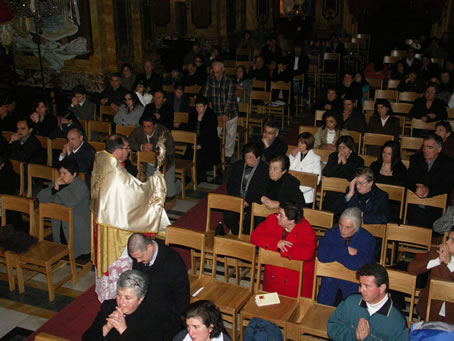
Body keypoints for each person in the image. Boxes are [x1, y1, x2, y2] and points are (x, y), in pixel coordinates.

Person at [91, 134, 169, 301]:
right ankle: (120, 294)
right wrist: (155, 182)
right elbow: (136, 195)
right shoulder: (115, 172)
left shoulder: (102, 159)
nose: (129, 151)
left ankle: (107, 290)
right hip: (115, 225)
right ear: (117, 150)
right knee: (119, 260)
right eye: (126, 148)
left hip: (103, 221)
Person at [128, 233, 189, 340]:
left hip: (168, 316)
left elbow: (181, 299)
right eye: (135, 258)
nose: (138, 262)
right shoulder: (140, 257)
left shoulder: (173, 262)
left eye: (141, 257)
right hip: (146, 308)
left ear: (150, 247)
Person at [327, 263, 409, 341]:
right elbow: (332, 327)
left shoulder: (397, 321)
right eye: (361, 285)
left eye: (367, 286)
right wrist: (354, 336)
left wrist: (367, 339)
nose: (361, 290)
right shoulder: (351, 302)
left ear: (382, 288)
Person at [251, 201, 316, 298]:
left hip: (294, 285)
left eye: (281, 215)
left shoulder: (306, 231)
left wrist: (282, 250)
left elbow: (308, 253)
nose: (277, 216)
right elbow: (254, 236)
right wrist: (276, 243)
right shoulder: (273, 220)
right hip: (272, 280)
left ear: (291, 221)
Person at [318, 207, 376, 306]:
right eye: (341, 225)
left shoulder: (367, 239)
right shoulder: (334, 232)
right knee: (329, 282)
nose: (343, 230)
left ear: (357, 227)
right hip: (331, 280)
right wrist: (346, 250)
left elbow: (356, 264)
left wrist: (333, 256)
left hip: (354, 283)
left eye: (348, 227)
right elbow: (322, 255)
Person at [83, 270, 165, 340]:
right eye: (118, 295)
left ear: (140, 299)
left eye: (127, 298)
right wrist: (106, 328)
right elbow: (86, 338)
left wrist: (124, 331)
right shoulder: (109, 306)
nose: (121, 302)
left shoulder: (153, 317)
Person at [37, 158, 90, 258]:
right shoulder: (58, 183)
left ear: (74, 174)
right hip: (60, 226)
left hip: (77, 231)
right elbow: (41, 198)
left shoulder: (81, 187)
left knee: (77, 253)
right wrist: (53, 190)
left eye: (64, 173)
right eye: (60, 173)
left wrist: (60, 189)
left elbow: (70, 202)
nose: (61, 176)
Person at [405, 134, 454, 228]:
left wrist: (428, 190)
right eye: (424, 146)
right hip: (415, 204)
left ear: (439, 149)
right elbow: (408, 179)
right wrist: (417, 188)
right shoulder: (416, 159)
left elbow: (446, 185)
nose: (425, 150)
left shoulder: (448, 163)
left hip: (435, 208)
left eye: (429, 147)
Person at [128, 112, 180, 199]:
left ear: (155, 126)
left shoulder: (164, 132)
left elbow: (171, 150)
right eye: (144, 126)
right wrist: (141, 147)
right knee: (151, 193)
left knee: (169, 195)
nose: (146, 129)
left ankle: (177, 183)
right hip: (148, 165)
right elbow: (129, 141)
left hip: (165, 165)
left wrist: (154, 148)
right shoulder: (139, 131)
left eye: (149, 127)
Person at [407, 226, 454, 323]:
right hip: (430, 310)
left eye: (453, 240)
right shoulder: (437, 253)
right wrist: (438, 260)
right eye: (448, 238)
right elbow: (412, 269)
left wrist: (449, 263)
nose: (447, 242)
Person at [224, 142, 269, 235]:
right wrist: (239, 200)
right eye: (246, 157)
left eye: (250, 157)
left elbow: (262, 190)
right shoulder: (238, 166)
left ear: (258, 157)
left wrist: (247, 201)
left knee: (249, 221)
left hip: (253, 201)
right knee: (228, 217)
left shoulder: (264, 170)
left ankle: (246, 235)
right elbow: (231, 185)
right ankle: (236, 233)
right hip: (238, 199)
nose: (247, 160)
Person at [202, 61, 238, 163]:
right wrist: (203, 108)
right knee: (214, 134)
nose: (216, 74)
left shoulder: (230, 80)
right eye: (214, 72)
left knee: (230, 135)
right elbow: (205, 96)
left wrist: (226, 113)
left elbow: (231, 99)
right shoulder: (210, 80)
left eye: (218, 72)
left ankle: (228, 155)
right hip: (216, 112)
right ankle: (215, 153)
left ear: (223, 70)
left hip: (230, 112)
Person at [322, 135, 364, 212]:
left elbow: (351, 177)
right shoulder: (333, 156)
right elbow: (326, 173)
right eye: (339, 148)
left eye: (344, 148)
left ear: (350, 149)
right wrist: (337, 163)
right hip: (332, 190)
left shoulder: (358, 160)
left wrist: (345, 163)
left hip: (348, 192)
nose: (341, 151)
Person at [188, 96, 220, 184]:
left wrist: (201, 145)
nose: (198, 109)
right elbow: (190, 130)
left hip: (209, 143)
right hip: (194, 141)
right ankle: (189, 176)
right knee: (188, 153)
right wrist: (192, 143)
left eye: (200, 106)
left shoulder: (211, 116)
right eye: (197, 107)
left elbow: (211, 135)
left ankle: (200, 179)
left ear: (205, 106)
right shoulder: (192, 114)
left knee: (199, 156)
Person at [289, 132, 321, 206]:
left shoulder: (315, 159)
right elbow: (287, 170)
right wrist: (292, 157)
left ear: (308, 144)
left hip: (306, 194)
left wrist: (299, 190)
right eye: (299, 142)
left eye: (302, 143)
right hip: (291, 191)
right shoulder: (294, 154)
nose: (299, 145)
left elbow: (316, 180)